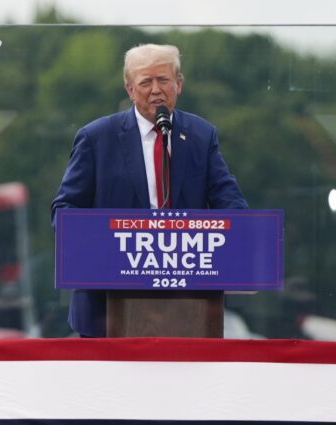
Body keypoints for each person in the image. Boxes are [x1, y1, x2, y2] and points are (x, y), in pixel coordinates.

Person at [51, 43, 248, 337]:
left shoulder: (201, 136)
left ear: (178, 85)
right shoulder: (96, 139)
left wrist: (241, 232)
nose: (156, 90)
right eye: (146, 82)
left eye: (164, 80)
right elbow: (65, 211)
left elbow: (230, 202)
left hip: (188, 308)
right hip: (106, 313)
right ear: (130, 89)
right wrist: (106, 242)